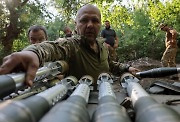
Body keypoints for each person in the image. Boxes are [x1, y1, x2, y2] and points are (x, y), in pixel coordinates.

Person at [0, 4, 139, 88]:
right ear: (76, 25)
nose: (90, 25)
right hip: (79, 102)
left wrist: (127, 68)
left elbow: (110, 64)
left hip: (107, 94)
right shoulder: (72, 45)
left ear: (100, 24)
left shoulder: (103, 46)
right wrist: (32, 53)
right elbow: (52, 48)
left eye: (95, 21)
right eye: (84, 20)